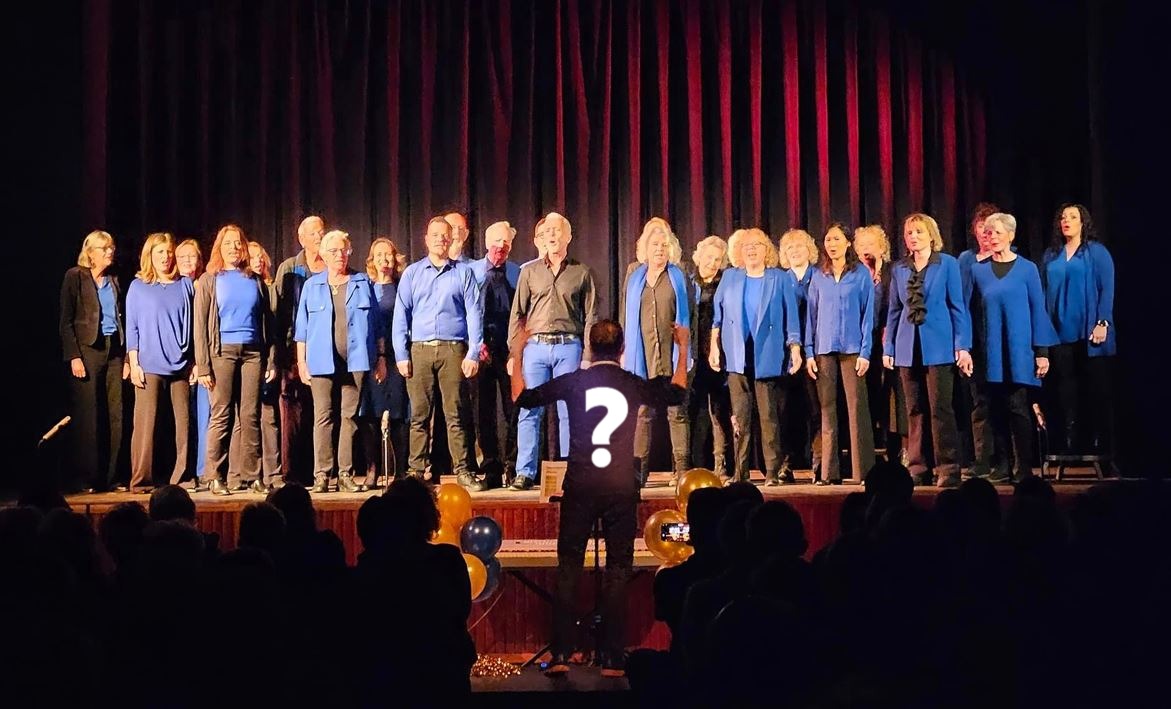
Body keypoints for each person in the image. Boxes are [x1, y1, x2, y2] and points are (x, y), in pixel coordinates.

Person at [511, 319, 688, 677]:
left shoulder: (574, 381)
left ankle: (561, 654)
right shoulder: (631, 383)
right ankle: (612, 657)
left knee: (569, 567)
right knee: (618, 569)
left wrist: (517, 352)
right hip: (620, 486)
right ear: (622, 349)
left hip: (580, 485)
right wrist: (683, 347)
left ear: (589, 349)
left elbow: (522, 398)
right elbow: (677, 392)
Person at [507, 212, 599, 491]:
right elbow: (517, 315)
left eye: (557, 230)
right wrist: (514, 353)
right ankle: (524, 473)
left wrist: (588, 356)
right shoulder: (529, 272)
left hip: (568, 346)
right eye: (547, 231)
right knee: (529, 410)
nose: (552, 235)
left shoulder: (582, 272)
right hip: (535, 349)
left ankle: (572, 469)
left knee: (569, 411)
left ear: (568, 236)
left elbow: (591, 317)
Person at [392, 216, 483, 491]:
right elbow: (401, 314)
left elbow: (474, 313)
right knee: (419, 415)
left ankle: (463, 470)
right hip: (419, 351)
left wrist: (473, 353)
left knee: (456, 413)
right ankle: (416, 471)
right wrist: (401, 354)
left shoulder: (463, 273)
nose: (440, 240)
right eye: (435, 235)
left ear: (451, 239)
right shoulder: (412, 273)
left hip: (453, 349)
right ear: (426, 239)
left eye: (445, 235)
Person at [883, 213, 973, 487]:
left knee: (940, 408)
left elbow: (958, 307)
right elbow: (894, 311)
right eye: (910, 233)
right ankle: (918, 466)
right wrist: (889, 347)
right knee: (914, 409)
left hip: (939, 346)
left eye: (919, 232)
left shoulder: (947, 264)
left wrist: (962, 345)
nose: (914, 237)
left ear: (931, 236)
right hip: (907, 347)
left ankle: (948, 467)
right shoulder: (899, 269)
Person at [710, 228, 803, 485]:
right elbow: (717, 317)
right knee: (740, 419)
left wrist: (795, 348)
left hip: (768, 355)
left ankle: (772, 472)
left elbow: (791, 317)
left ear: (767, 250)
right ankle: (740, 473)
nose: (751, 249)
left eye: (757, 245)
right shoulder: (730, 277)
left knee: (769, 417)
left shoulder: (779, 278)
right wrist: (714, 347)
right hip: (737, 356)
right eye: (746, 245)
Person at [296, 230, 387, 493]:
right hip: (321, 361)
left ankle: (345, 473)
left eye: (344, 250)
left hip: (356, 361)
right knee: (323, 417)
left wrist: (381, 357)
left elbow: (377, 325)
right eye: (334, 251)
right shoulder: (312, 286)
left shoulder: (362, 281)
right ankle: (322, 475)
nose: (340, 255)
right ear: (323, 255)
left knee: (350, 417)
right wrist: (301, 362)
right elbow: (301, 329)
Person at [970, 213, 1058, 482]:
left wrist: (1042, 352)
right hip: (991, 352)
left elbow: (1038, 309)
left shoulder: (1027, 269)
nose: (993, 237)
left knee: (1018, 408)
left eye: (998, 232)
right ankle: (1003, 465)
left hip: (1019, 351)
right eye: (989, 233)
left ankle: (1024, 467)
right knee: (995, 409)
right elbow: (970, 312)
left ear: (1011, 235)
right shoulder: (978, 271)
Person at [194, 225, 277, 496]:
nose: (233, 247)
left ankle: (253, 476)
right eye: (227, 243)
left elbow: (267, 323)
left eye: (237, 243)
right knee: (222, 413)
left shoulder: (254, 279)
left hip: (253, 353)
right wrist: (203, 365)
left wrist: (270, 359)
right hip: (222, 352)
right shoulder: (209, 279)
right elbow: (200, 326)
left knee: (251, 415)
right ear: (219, 247)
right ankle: (214, 476)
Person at [1040, 203, 1116, 455]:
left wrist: (1103, 322)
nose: (1066, 221)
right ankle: (1067, 448)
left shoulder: (1096, 252)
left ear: (1083, 222)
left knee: (1094, 392)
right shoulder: (1051, 255)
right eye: (1063, 217)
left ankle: (1101, 449)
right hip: (1059, 334)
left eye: (1072, 217)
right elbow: (1044, 292)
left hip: (1090, 334)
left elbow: (1107, 289)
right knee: (1064, 393)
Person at [621, 217, 691, 486]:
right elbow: (625, 315)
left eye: (664, 245)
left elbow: (690, 316)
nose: (659, 249)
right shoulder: (634, 276)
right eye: (654, 245)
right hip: (643, 355)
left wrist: (686, 351)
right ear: (645, 249)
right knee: (643, 413)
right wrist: (624, 351)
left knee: (677, 412)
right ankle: (639, 474)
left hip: (673, 354)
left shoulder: (679, 276)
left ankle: (682, 472)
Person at [804, 224, 876, 484]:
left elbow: (868, 314)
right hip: (824, 350)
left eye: (837, 239)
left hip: (853, 349)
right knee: (827, 411)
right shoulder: (818, 275)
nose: (832, 244)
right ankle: (829, 473)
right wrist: (809, 352)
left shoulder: (860, 274)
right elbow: (811, 316)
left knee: (857, 410)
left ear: (848, 243)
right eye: (828, 239)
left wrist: (866, 351)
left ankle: (863, 472)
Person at [59, 230, 129, 493]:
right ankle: (87, 478)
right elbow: (66, 320)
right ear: (90, 253)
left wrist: (127, 356)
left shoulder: (114, 279)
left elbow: (122, 316)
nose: (110, 252)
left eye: (111, 248)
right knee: (89, 416)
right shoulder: (75, 276)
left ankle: (112, 477)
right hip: (88, 350)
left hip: (114, 350)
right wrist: (73, 355)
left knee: (116, 414)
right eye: (104, 248)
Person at [126, 233, 195, 493]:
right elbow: (132, 327)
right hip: (149, 363)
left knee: (183, 424)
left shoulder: (185, 285)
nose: (165, 257)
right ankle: (142, 480)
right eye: (159, 252)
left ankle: (182, 477)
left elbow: (193, 326)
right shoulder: (138, 286)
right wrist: (134, 362)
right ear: (150, 256)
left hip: (180, 363)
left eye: (168, 251)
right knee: (146, 425)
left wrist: (195, 361)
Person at [468, 221, 522, 488]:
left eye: (506, 242)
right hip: (481, 348)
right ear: (487, 243)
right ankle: (490, 467)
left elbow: (523, 313)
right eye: (497, 241)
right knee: (483, 411)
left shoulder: (517, 272)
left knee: (514, 408)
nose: (501, 246)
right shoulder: (471, 271)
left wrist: (516, 349)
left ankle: (513, 465)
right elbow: (465, 310)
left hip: (509, 350)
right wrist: (475, 344)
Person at [275, 216, 328, 484]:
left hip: (327, 352)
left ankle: (323, 472)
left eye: (322, 232)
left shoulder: (333, 266)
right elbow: (280, 314)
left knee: (323, 413)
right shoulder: (289, 268)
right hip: (294, 352)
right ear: (301, 238)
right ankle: (293, 474)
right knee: (294, 415)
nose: (319, 237)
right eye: (313, 233)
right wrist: (284, 355)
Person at [229, 241, 282, 492]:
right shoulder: (242, 286)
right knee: (241, 418)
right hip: (242, 357)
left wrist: (272, 361)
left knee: (267, 417)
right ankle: (237, 474)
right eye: (252, 257)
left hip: (264, 358)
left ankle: (271, 474)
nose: (258, 261)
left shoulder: (268, 286)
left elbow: (273, 330)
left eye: (261, 256)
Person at [854, 224, 907, 464]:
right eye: (862, 245)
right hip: (862, 343)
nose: (866, 249)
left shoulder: (893, 271)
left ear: (882, 247)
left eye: (871, 244)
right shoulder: (854, 273)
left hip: (889, 340)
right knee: (867, 396)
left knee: (894, 397)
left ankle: (897, 449)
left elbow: (897, 304)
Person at [957, 203, 1003, 478]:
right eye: (981, 228)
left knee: (1004, 401)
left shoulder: (1009, 258)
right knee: (979, 402)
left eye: (991, 228)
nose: (986, 234)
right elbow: (960, 302)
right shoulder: (966, 260)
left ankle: (1005, 460)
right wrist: (962, 344)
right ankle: (983, 459)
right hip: (975, 340)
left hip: (1001, 338)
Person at [361, 237, 409, 487]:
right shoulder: (365, 287)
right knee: (370, 414)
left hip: (397, 357)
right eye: (379, 255)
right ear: (372, 260)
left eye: (388, 254)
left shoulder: (402, 286)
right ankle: (373, 470)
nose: (384, 259)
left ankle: (400, 471)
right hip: (371, 359)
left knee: (399, 415)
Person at [687, 235, 733, 480]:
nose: (712, 263)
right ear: (699, 257)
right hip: (692, 354)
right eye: (709, 257)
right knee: (693, 411)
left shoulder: (725, 283)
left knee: (719, 412)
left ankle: (721, 464)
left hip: (717, 354)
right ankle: (693, 465)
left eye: (717, 259)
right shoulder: (688, 282)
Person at [778, 229, 822, 481]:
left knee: (817, 410)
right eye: (790, 248)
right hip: (786, 355)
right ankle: (787, 463)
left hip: (816, 352)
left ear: (809, 250)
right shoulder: (780, 279)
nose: (795, 252)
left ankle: (819, 462)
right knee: (787, 411)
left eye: (799, 247)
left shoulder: (820, 276)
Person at [176, 239, 210, 490]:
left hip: (202, 362)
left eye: (192, 256)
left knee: (204, 417)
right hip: (177, 363)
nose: (188, 261)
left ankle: (203, 470)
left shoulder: (205, 284)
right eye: (182, 257)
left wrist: (199, 362)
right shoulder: (173, 287)